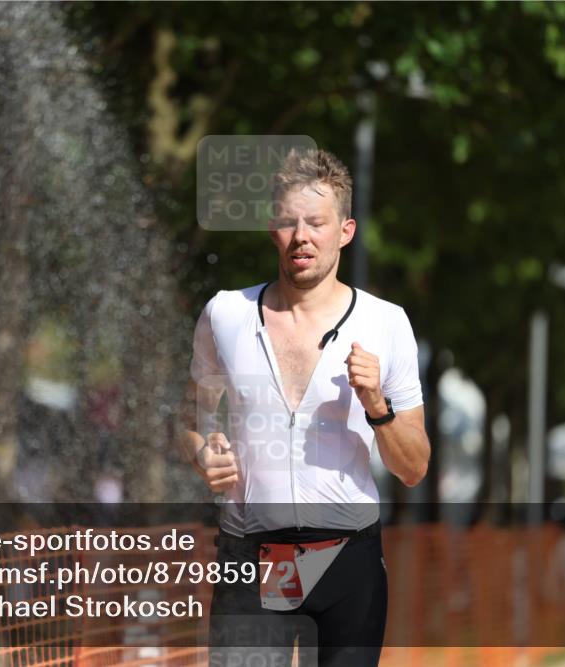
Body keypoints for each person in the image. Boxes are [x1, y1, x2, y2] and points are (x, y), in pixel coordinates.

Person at [178, 148, 430, 666]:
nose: (302, 237)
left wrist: (377, 405)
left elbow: (413, 467)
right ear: (272, 229)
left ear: (345, 230)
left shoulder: (386, 323)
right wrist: (202, 451)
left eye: (316, 222)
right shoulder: (227, 313)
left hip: (347, 558)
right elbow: (189, 418)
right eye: (289, 222)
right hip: (251, 556)